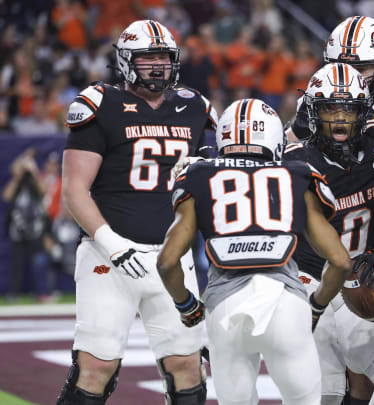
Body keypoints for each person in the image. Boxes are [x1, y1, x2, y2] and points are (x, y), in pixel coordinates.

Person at [57, 20, 217, 404]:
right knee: (95, 368)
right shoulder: (102, 103)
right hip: (108, 257)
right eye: (148, 58)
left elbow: (210, 181)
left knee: (188, 366)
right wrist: (112, 244)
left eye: (164, 57)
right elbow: (74, 189)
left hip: (173, 258)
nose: (158, 66)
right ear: (127, 62)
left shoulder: (194, 107)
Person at [157, 98, 353, 405]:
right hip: (285, 304)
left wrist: (186, 305)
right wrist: (315, 306)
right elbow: (341, 262)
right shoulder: (297, 175)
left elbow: (167, 261)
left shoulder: (198, 175)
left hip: (225, 309)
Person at [285, 62, 374, 405]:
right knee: (320, 390)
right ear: (313, 112)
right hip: (305, 282)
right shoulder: (293, 161)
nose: (340, 118)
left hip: (355, 277)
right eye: (330, 108)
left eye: (349, 108)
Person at [286, 15, 374, 142]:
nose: (349, 77)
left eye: (361, 69)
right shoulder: (315, 100)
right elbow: (285, 148)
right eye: (341, 67)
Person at [3, 148, 53, 301]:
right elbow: (6, 196)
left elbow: (43, 191)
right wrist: (17, 176)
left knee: (38, 263)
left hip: (36, 230)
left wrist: (34, 171)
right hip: (18, 230)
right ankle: (14, 294)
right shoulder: (16, 182)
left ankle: (41, 293)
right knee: (16, 265)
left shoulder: (36, 180)